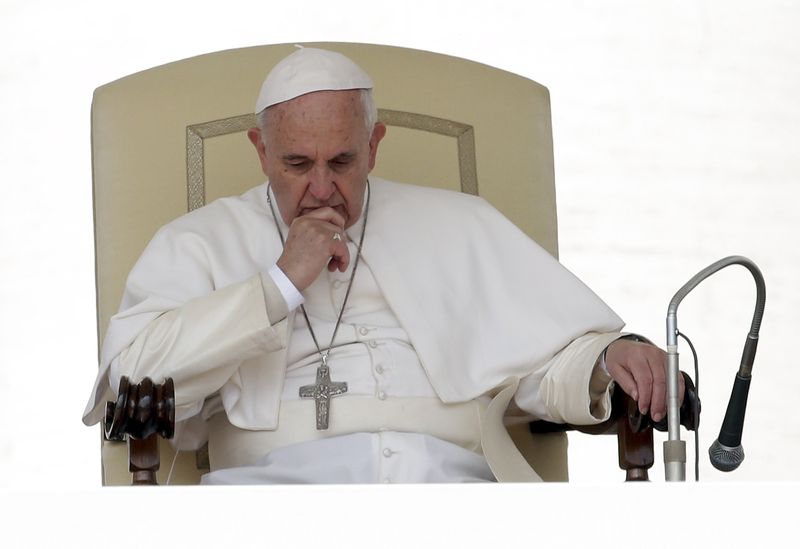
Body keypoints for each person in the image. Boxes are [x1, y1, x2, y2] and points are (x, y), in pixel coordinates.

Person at [83, 46, 681, 483]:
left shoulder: (461, 223)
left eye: (342, 161)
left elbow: (544, 366)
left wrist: (608, 360)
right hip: (273, 504)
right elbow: (133, 377)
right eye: (296, 164)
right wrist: (279, 284)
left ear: (374, 145)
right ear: (260, 152)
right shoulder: (200, 241)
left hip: (459, 495)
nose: (322, 189)